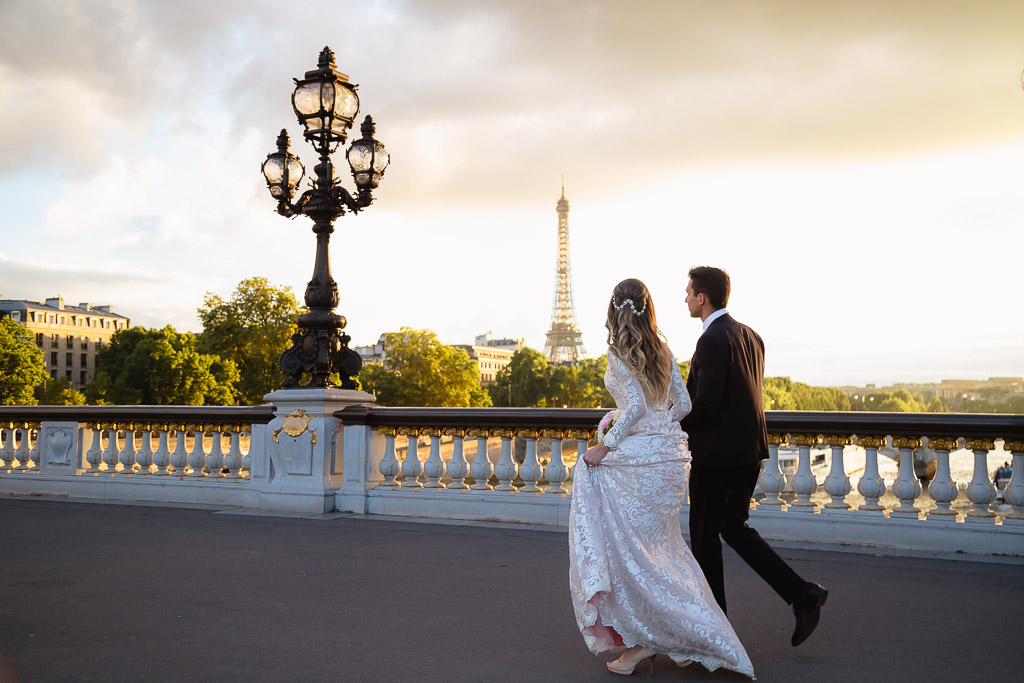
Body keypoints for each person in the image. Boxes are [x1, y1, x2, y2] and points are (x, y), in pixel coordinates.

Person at [569, 278, 755, 678]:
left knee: (635, 556)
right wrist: (660, 430)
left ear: (615, 309)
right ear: (647, 308)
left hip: (642, 467)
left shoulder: (619, 353)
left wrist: (606, 444)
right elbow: (683, 404)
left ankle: (643, 645)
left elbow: (633, 405)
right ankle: (675, 641)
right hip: (672, 463)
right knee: (664, 553)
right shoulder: (665, 350)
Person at [680, 265, 828, 647]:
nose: (685, 298)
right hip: (749, 454)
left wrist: (671, 419)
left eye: (688, 292)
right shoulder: (751, 336)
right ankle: (802, 593)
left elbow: (708, 405)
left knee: (704, 539)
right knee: (733, 529)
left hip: (716, 459)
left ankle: (716, 634)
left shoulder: (710, 340)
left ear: (702, 297)